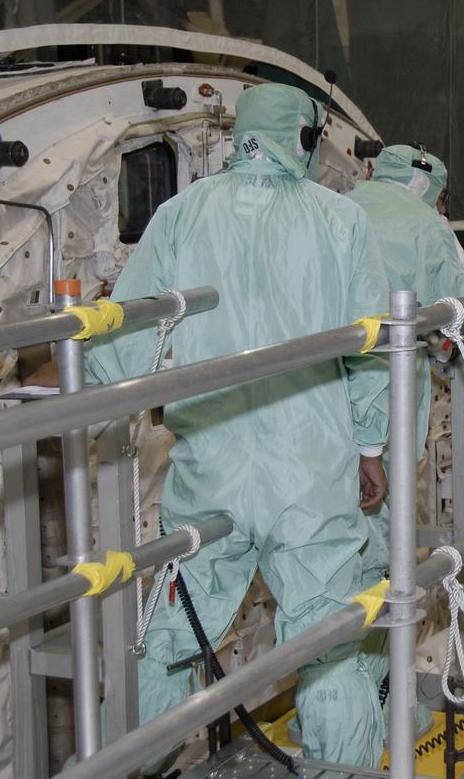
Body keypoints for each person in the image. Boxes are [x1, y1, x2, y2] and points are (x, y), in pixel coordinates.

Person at [84, 83, 393, 768]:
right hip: (311, 470)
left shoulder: (181, 214)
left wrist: (77, 389)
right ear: (307, 139)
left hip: (210, 466)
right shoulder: (340, 221)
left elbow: (126, 338)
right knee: (329, 637)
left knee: (170, 634)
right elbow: (369, 347)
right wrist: (371, 448)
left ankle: (122, 766)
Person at [345, 143, 464, 523]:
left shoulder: (335, 205)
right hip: (390, 389)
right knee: (381, 512)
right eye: (443, 201)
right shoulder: (429, 226)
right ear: (430, 191)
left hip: (322, 388)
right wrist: (448, 344)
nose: (442, 211)